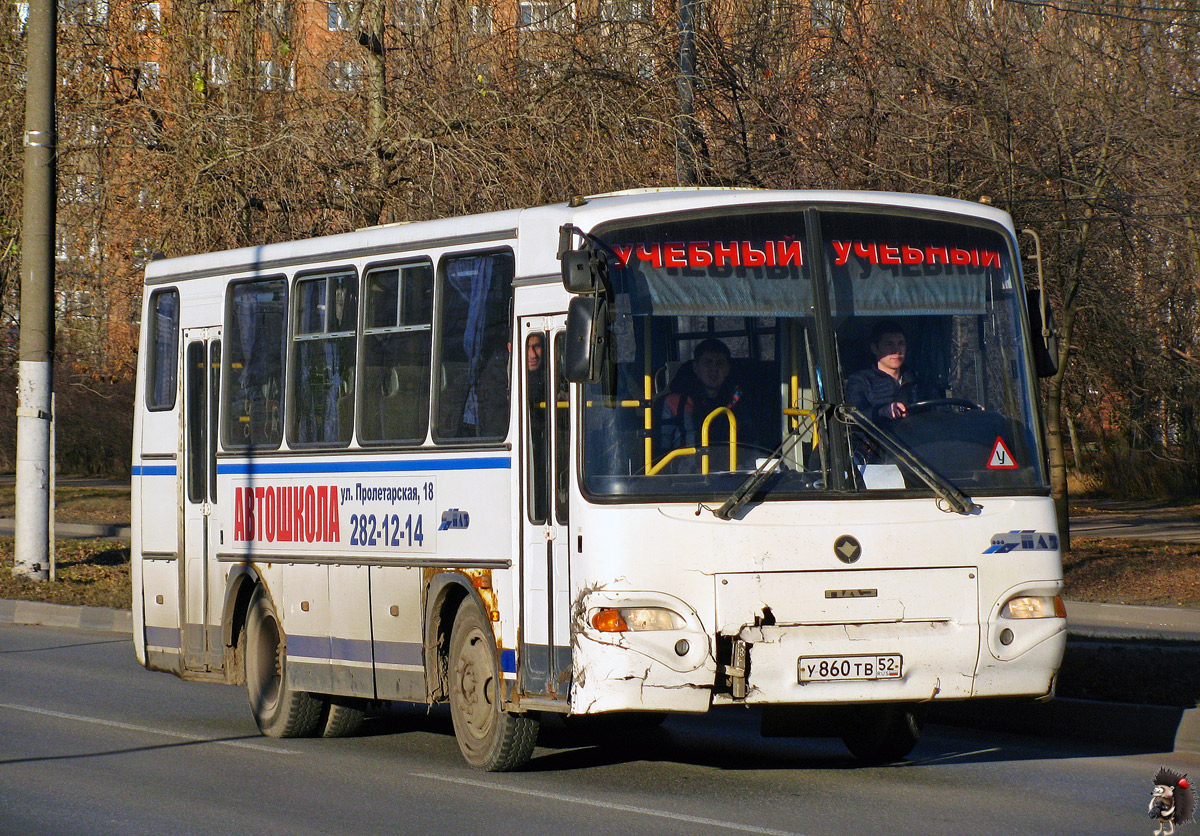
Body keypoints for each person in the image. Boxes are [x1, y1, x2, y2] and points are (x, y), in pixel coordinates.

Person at [659, 338, 753, 470]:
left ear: (727, 370)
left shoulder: (738, 403)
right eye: (708, 363)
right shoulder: (675, 402)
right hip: (685, 481)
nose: (714, 369)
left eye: (720, 364)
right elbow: (661, 451)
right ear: (696, 367)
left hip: (731, 479)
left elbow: (750, 446)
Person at [844, 320, 920, 421]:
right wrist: (882, 411)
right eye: (889, 344)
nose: (897, 350)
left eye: (901, 344)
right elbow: (854, 415)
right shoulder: (860, 381)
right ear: (875, 348)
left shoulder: (918, 380)